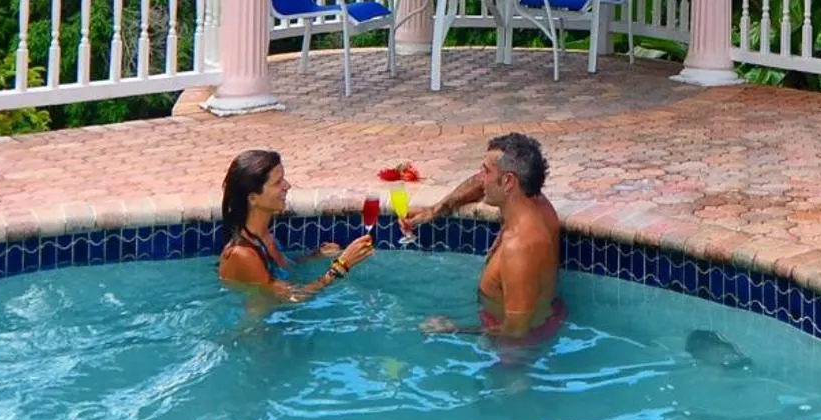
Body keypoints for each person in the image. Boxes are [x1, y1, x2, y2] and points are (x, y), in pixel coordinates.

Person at [402, 132, 563, 341]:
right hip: (541, 316)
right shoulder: (530, 200)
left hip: (518, 351)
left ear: (508, 181)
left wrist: (454, 329)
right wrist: (434, 211)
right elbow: (480, 184)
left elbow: (517, 332)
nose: (480, 177)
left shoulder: (520, 247)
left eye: (485, 171)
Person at [217, 148, 373, 302]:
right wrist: (341, 265)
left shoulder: (263, 236)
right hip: (257, 327)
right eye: (278, 182)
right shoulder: (242, 254)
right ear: (253, 198)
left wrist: (312, 257)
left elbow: (280, 272)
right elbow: (294, 298)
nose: (287, 186)